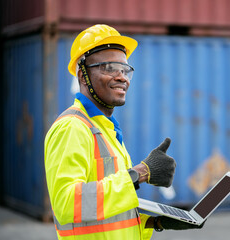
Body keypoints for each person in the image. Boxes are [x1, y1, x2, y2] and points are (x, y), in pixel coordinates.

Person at [44, 24, 203, 240]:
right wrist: (140, 173)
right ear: (83, 76)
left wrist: (154, 221)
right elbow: (67, 204)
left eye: (125, 69)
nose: (122, 77)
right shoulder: (72, 127)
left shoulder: (105, 130)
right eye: (109, 67)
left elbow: (108, 216)